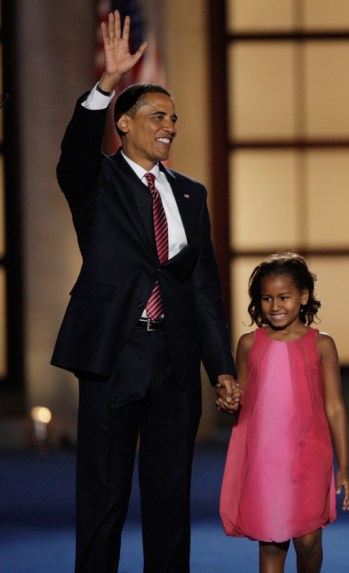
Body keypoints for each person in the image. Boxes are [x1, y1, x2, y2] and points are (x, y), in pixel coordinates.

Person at [51, 12, 239, 573]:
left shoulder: (191, 194)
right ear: (125, 124)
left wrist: (220, 367)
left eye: (174, 119)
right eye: (158, 116)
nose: (170, 126)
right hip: (115, 354)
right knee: (104, 499)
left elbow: (204, 287)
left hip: (175, 364)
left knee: (169, 501)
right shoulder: (96, 181)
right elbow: (74, 153)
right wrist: (106, 84)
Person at [219, 252, 349, 573]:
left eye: (284, 297)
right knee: (272, 542)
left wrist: (344, 465)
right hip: (265, 459)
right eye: (266, 298)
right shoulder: (249, 344)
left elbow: (334, 407)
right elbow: (242, 400)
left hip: (310, 454)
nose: (275, 306)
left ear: (304, 296)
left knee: (308, 542)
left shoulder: (322, 345)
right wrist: (228, 401)